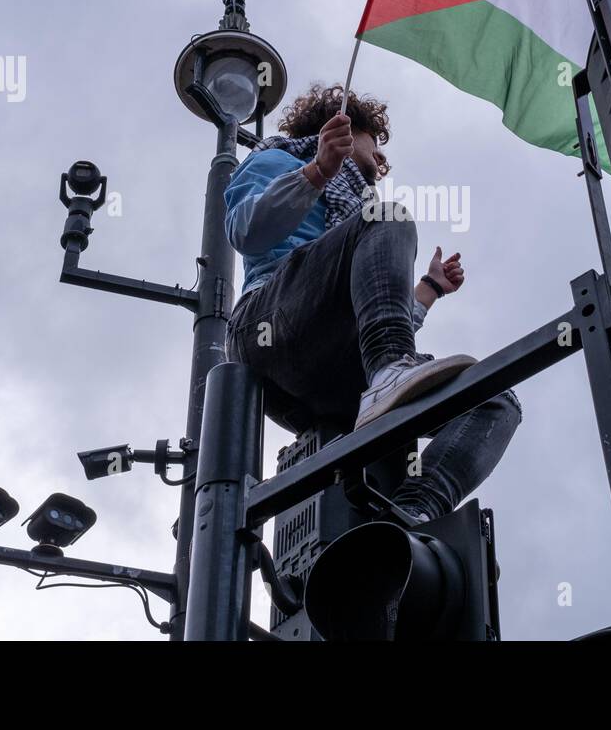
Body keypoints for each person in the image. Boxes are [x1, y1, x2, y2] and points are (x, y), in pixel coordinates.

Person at [223, 82, 522, 522]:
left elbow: (374, 318)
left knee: (495, 399)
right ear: (344, 127)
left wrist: (428, 291)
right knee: (387, 217)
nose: (382, 160)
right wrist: (317, 171)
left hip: (335, 378)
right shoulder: (279, 160)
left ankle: (409, 518)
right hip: (268, 331)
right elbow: (246, 231)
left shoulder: (361, 215)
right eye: (374, 143)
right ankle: (387, 371)